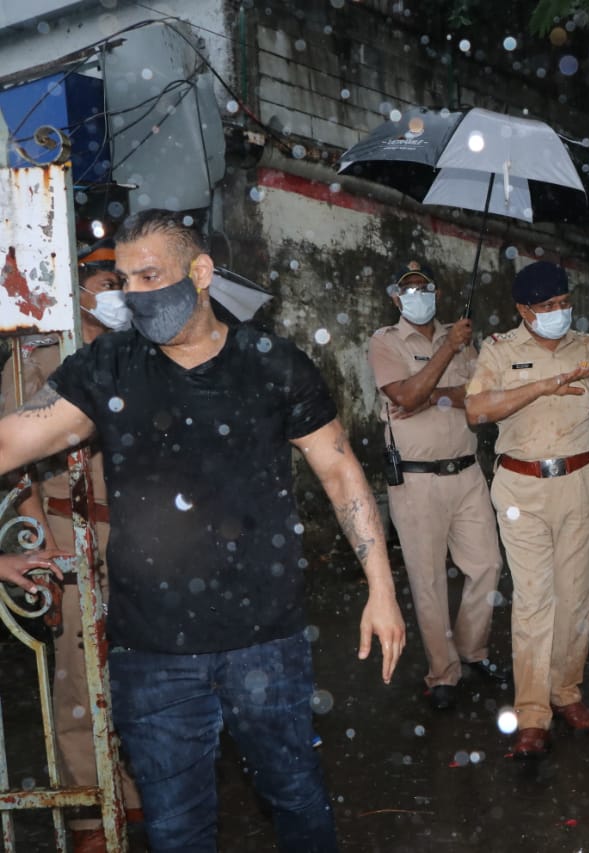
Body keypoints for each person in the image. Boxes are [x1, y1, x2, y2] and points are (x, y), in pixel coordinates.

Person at [0, 209, 406, 853]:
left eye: (149, 275)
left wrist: (380, 589)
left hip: (266, 645)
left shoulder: (271, 364)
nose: (133, 294)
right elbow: (9, 442)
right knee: (176, 829)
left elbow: (339, 469)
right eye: (124, 280)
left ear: (201, 273)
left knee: (297, 799)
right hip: (152, 655)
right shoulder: (108, 367)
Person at [0, 238, 143, 853]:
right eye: (103, 278)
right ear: (77, 282)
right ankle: (91, 815)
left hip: (142, 531)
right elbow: (13, 461)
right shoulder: (37, 357)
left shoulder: (143, 350)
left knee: (143, 668)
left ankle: (137, 803)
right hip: (68, 525)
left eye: (122, 279)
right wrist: (40, 535)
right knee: (80, 678)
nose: (113, 290)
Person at [464, 260, 589, 758]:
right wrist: (540, 386)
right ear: (523, 310)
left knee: (576, 596)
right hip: (521, 489)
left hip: (579, 482)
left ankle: (567, 692)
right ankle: (533, 713)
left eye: (563, 303)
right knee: (535, 600)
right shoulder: (498, 351)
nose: (558, 313)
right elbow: (476, 411)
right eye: (546, 306)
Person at [367, 261, 504, 712]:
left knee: (486, 564)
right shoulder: (385, 342)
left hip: (466, 472)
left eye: (423, 287)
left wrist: (434, 395)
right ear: (395, 299)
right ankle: (442, 672)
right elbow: (402, 396)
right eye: (407, 289)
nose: (417, 295)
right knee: (427, 581)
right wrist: (444, 359)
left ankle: (471, 650)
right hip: (416, 478)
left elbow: (479, 398)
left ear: (437, 292)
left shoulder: (463, 338)